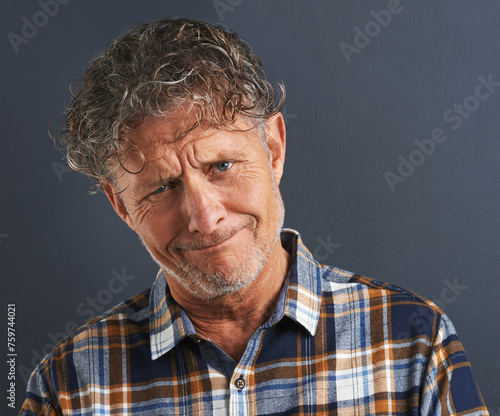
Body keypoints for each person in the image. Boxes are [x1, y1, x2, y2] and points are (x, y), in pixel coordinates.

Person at [21, 17, 488, 415]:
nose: (204, 217)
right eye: (162, 187)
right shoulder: (68, 389)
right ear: (120, 204)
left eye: (221, 166)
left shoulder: (414, 345)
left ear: (274, 148)